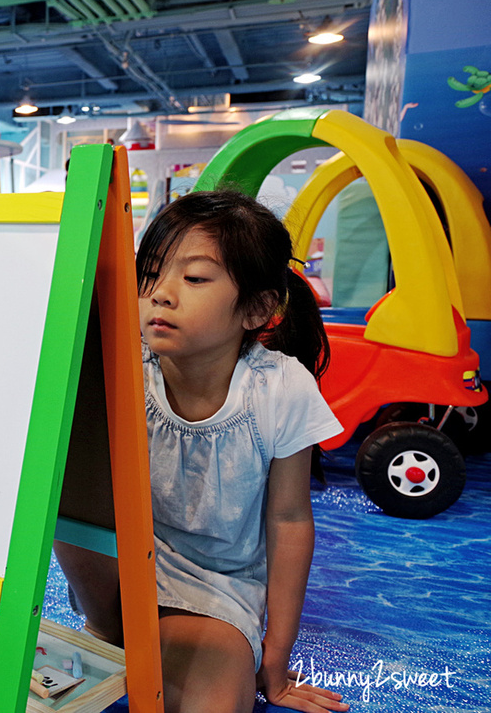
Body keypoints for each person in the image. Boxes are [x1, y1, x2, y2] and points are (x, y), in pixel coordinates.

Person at [54, 190, 349, 713]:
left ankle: (147, 641)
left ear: (257, 307)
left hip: (216, 587)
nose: (161, 294)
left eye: (193, 279)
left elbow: (289, 521)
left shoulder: (278, 389)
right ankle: (105, 629)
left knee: (213, 695)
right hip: (118, 573)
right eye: (151, 274)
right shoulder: (125, 365)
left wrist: (274, 659)